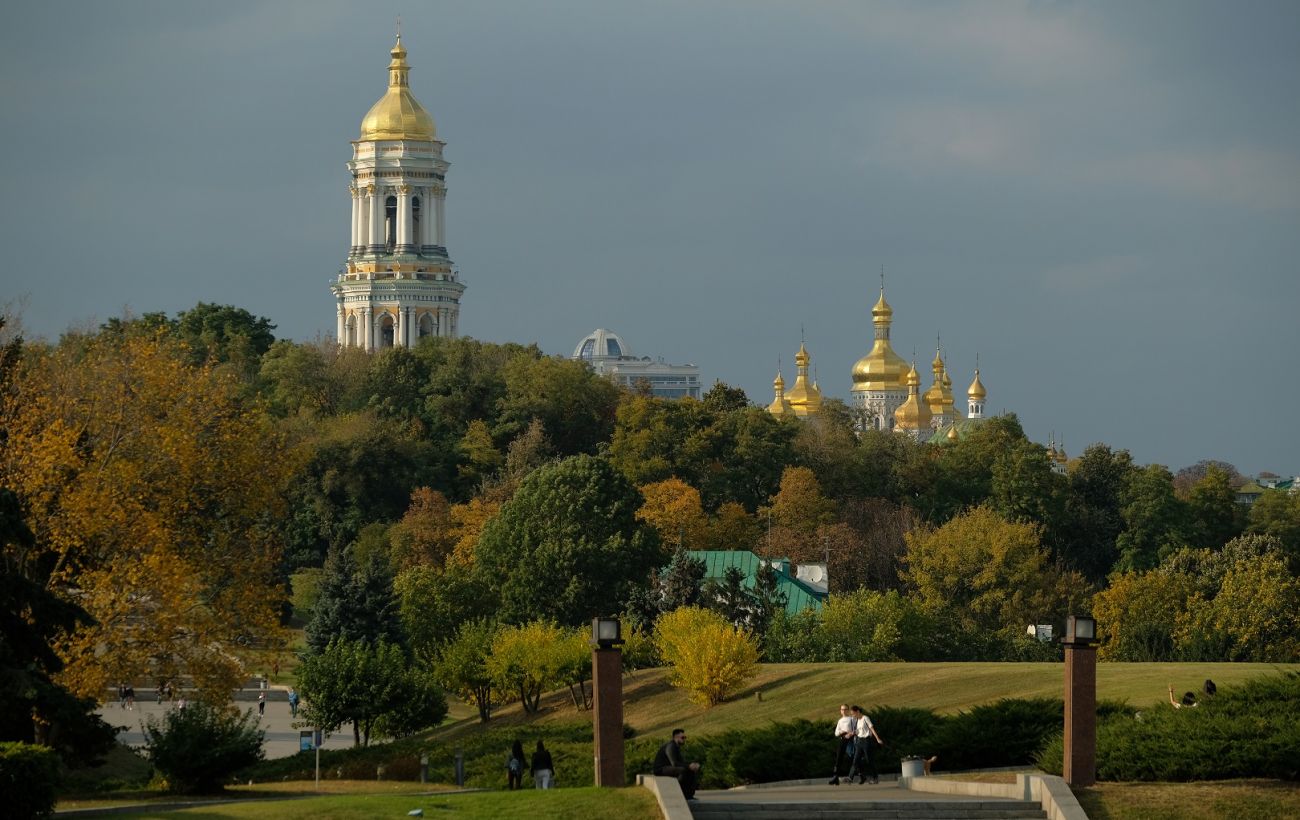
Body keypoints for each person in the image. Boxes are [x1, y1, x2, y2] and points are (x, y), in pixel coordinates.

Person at [653, 728, 701, 799]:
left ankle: (689, 796)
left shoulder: (676, 747)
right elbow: (674, 763)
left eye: (685, 737)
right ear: (675, 737)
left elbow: (681, 762)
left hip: (668, 767)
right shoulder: (671, 746)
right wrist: (688, 766)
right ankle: (676, 793)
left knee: (691, 771)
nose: (684, 739)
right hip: (660, 769)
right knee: (683, 771)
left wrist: (692, 765)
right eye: (682, 737)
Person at [847, 705, 885, 784]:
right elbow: (858, 731)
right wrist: (851, 734)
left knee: (869, 760)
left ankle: (875, 778)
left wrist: (877, 739)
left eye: (853, 714)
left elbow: (871, 728)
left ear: (857, 711)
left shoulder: (865, 718)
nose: (853, 716)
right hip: (859, 742)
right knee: (855, 760)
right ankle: (850, 778)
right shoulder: (857, 720)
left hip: (866, 741)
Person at [829, 703, 856, 785]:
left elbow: (856, 729)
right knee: (839, 757)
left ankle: (860, 774)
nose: (843, 711)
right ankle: (835, 776)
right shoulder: (840, 721)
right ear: (840, 711)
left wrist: (850, 733)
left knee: (853, 757)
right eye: (842, 709)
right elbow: (836, 733)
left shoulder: (852, 719)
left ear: (848, 710)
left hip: (850, 739)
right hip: (842, 739)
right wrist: (842, 732)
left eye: (845, 709)